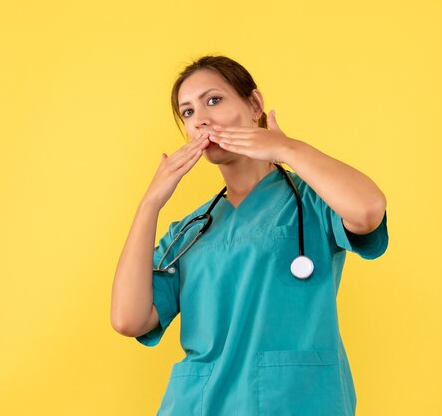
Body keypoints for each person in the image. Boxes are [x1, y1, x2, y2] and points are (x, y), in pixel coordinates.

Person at [111, 55, 389, 416]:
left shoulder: (313, 200)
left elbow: (368, 211)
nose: (202, 121)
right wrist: (150, 203)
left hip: (295, 403)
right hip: (198, 405)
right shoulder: (192, 230)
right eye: (189, 113)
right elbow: (129, 319)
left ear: (254, 104)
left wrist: (286, 148)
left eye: (214, 100)